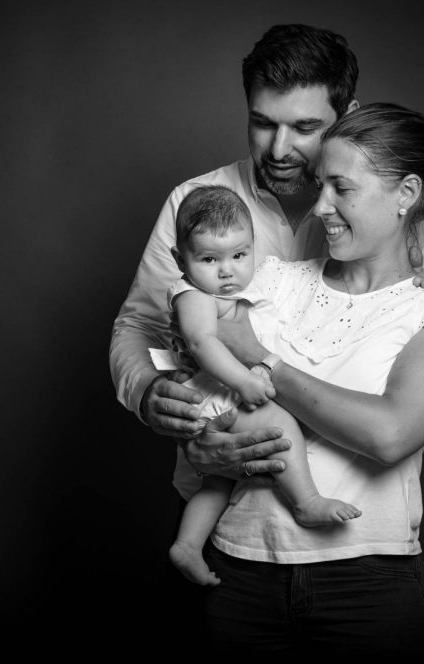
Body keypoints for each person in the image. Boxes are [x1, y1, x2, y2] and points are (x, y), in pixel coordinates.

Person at [110, 24, 424, 504]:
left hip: (347, 501)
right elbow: (140, 323)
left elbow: (406, 340)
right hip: (218, 497)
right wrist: (149, 394)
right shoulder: (192, 202)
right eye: (263, 123)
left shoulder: (381, 214)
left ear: (347, 116)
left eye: (304, 128)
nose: (278, 149)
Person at [197, 102, 424, 654]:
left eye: (341, 188)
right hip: (236, 572)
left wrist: (264, 360)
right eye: (319, 186)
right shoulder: (273, 280)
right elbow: (212, 392)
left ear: (406, 195)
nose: (320, 207)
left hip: (367, 585)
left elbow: (390, 434)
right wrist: (204, 441)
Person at [163, 185, 360, 587]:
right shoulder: (194, 295)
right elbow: (203, 342)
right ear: (178, 259)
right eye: (208, 259)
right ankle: (306, 502)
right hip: (220, 391)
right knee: (279, 425)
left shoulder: (237, 289)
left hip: (217, 398)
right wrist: (244, 380)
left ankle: (187, 543)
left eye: (240, 255)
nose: (226, 271)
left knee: (218, 484)